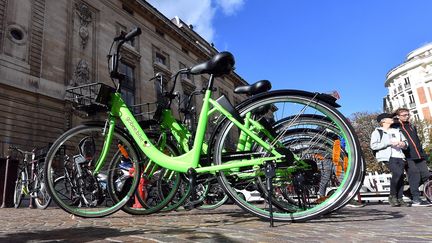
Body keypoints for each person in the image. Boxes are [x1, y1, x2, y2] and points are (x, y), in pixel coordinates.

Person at [392, 108, 431, 207]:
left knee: (426, 175)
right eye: (404, 115)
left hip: (419, 155)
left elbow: (417, 141)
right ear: (398, 116)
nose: (407, 116)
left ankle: (410, 192)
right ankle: (416, 199)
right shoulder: (396, 127)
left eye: (408, 114)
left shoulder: (412, 126)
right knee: (415, 175)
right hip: (407, 156)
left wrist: (423, 154)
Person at [370, 112, 410, 207]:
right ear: (383, 121)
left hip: (399, 155)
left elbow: (406, 143)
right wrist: (388, 143)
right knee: (397, 173)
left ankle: (399, 198)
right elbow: (373, 146)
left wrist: (403, 144)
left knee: (401, 177)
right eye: (389, 118)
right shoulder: (377, 132)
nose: (392, 119)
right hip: (387, 157)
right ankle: (392, 196)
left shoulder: (397, 130)